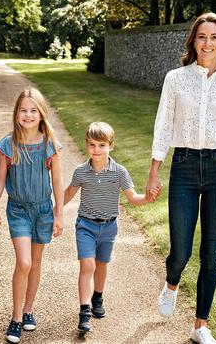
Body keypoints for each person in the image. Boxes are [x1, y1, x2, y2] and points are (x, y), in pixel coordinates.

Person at [146, 12, 216, 344]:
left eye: (214, 37)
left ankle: (200, 326)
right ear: (193, 40)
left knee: (212, 251)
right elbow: (163, 124)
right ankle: (173, 282)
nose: (207, 43)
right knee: (180, 250)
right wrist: (154, 171)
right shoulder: (175, 78)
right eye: (202, 36)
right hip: (185, 167)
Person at [64, 122, 157, 335]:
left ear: (111, 146)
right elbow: (68, 193)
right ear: (87, 145)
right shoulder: (81, 171)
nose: (96, 150)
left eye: (101, 145)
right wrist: (54, 212)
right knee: (87, 265)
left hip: (108, 228)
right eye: (92, 145)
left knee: (101, 265)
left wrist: (147, 198)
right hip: (85, 225)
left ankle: (97, 297)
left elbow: (133, 198)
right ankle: (84, 313)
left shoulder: (119, 172)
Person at [0, 88, 64, 343]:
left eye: (33, 110)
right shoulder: (8, 144)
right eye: (23, 110)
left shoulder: (49, 144)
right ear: (16, 114)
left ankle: (28, 310)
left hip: (43, 210)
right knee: (23, 262)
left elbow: (57, 180)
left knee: (35, 263)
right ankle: (15, 318)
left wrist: (59, 214)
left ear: (42, 114)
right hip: (19, 210)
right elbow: (0, 177)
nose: (28, 115)